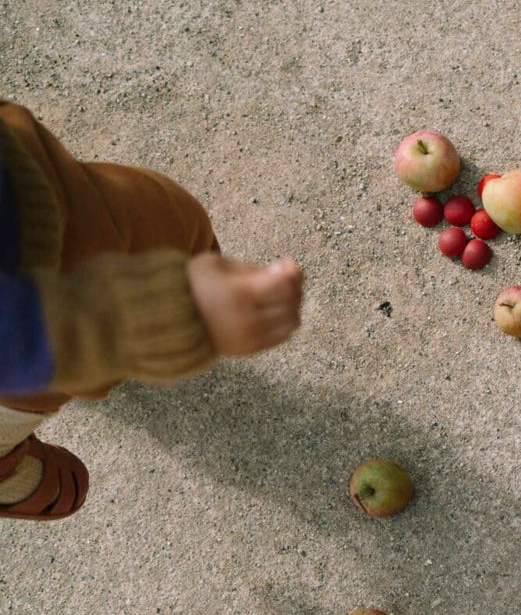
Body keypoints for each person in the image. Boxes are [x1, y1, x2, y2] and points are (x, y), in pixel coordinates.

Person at [1, 99, 304, 521]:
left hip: (41, 192)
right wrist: (183, 309)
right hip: (33, 334)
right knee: (52, 481)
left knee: (165, 220)